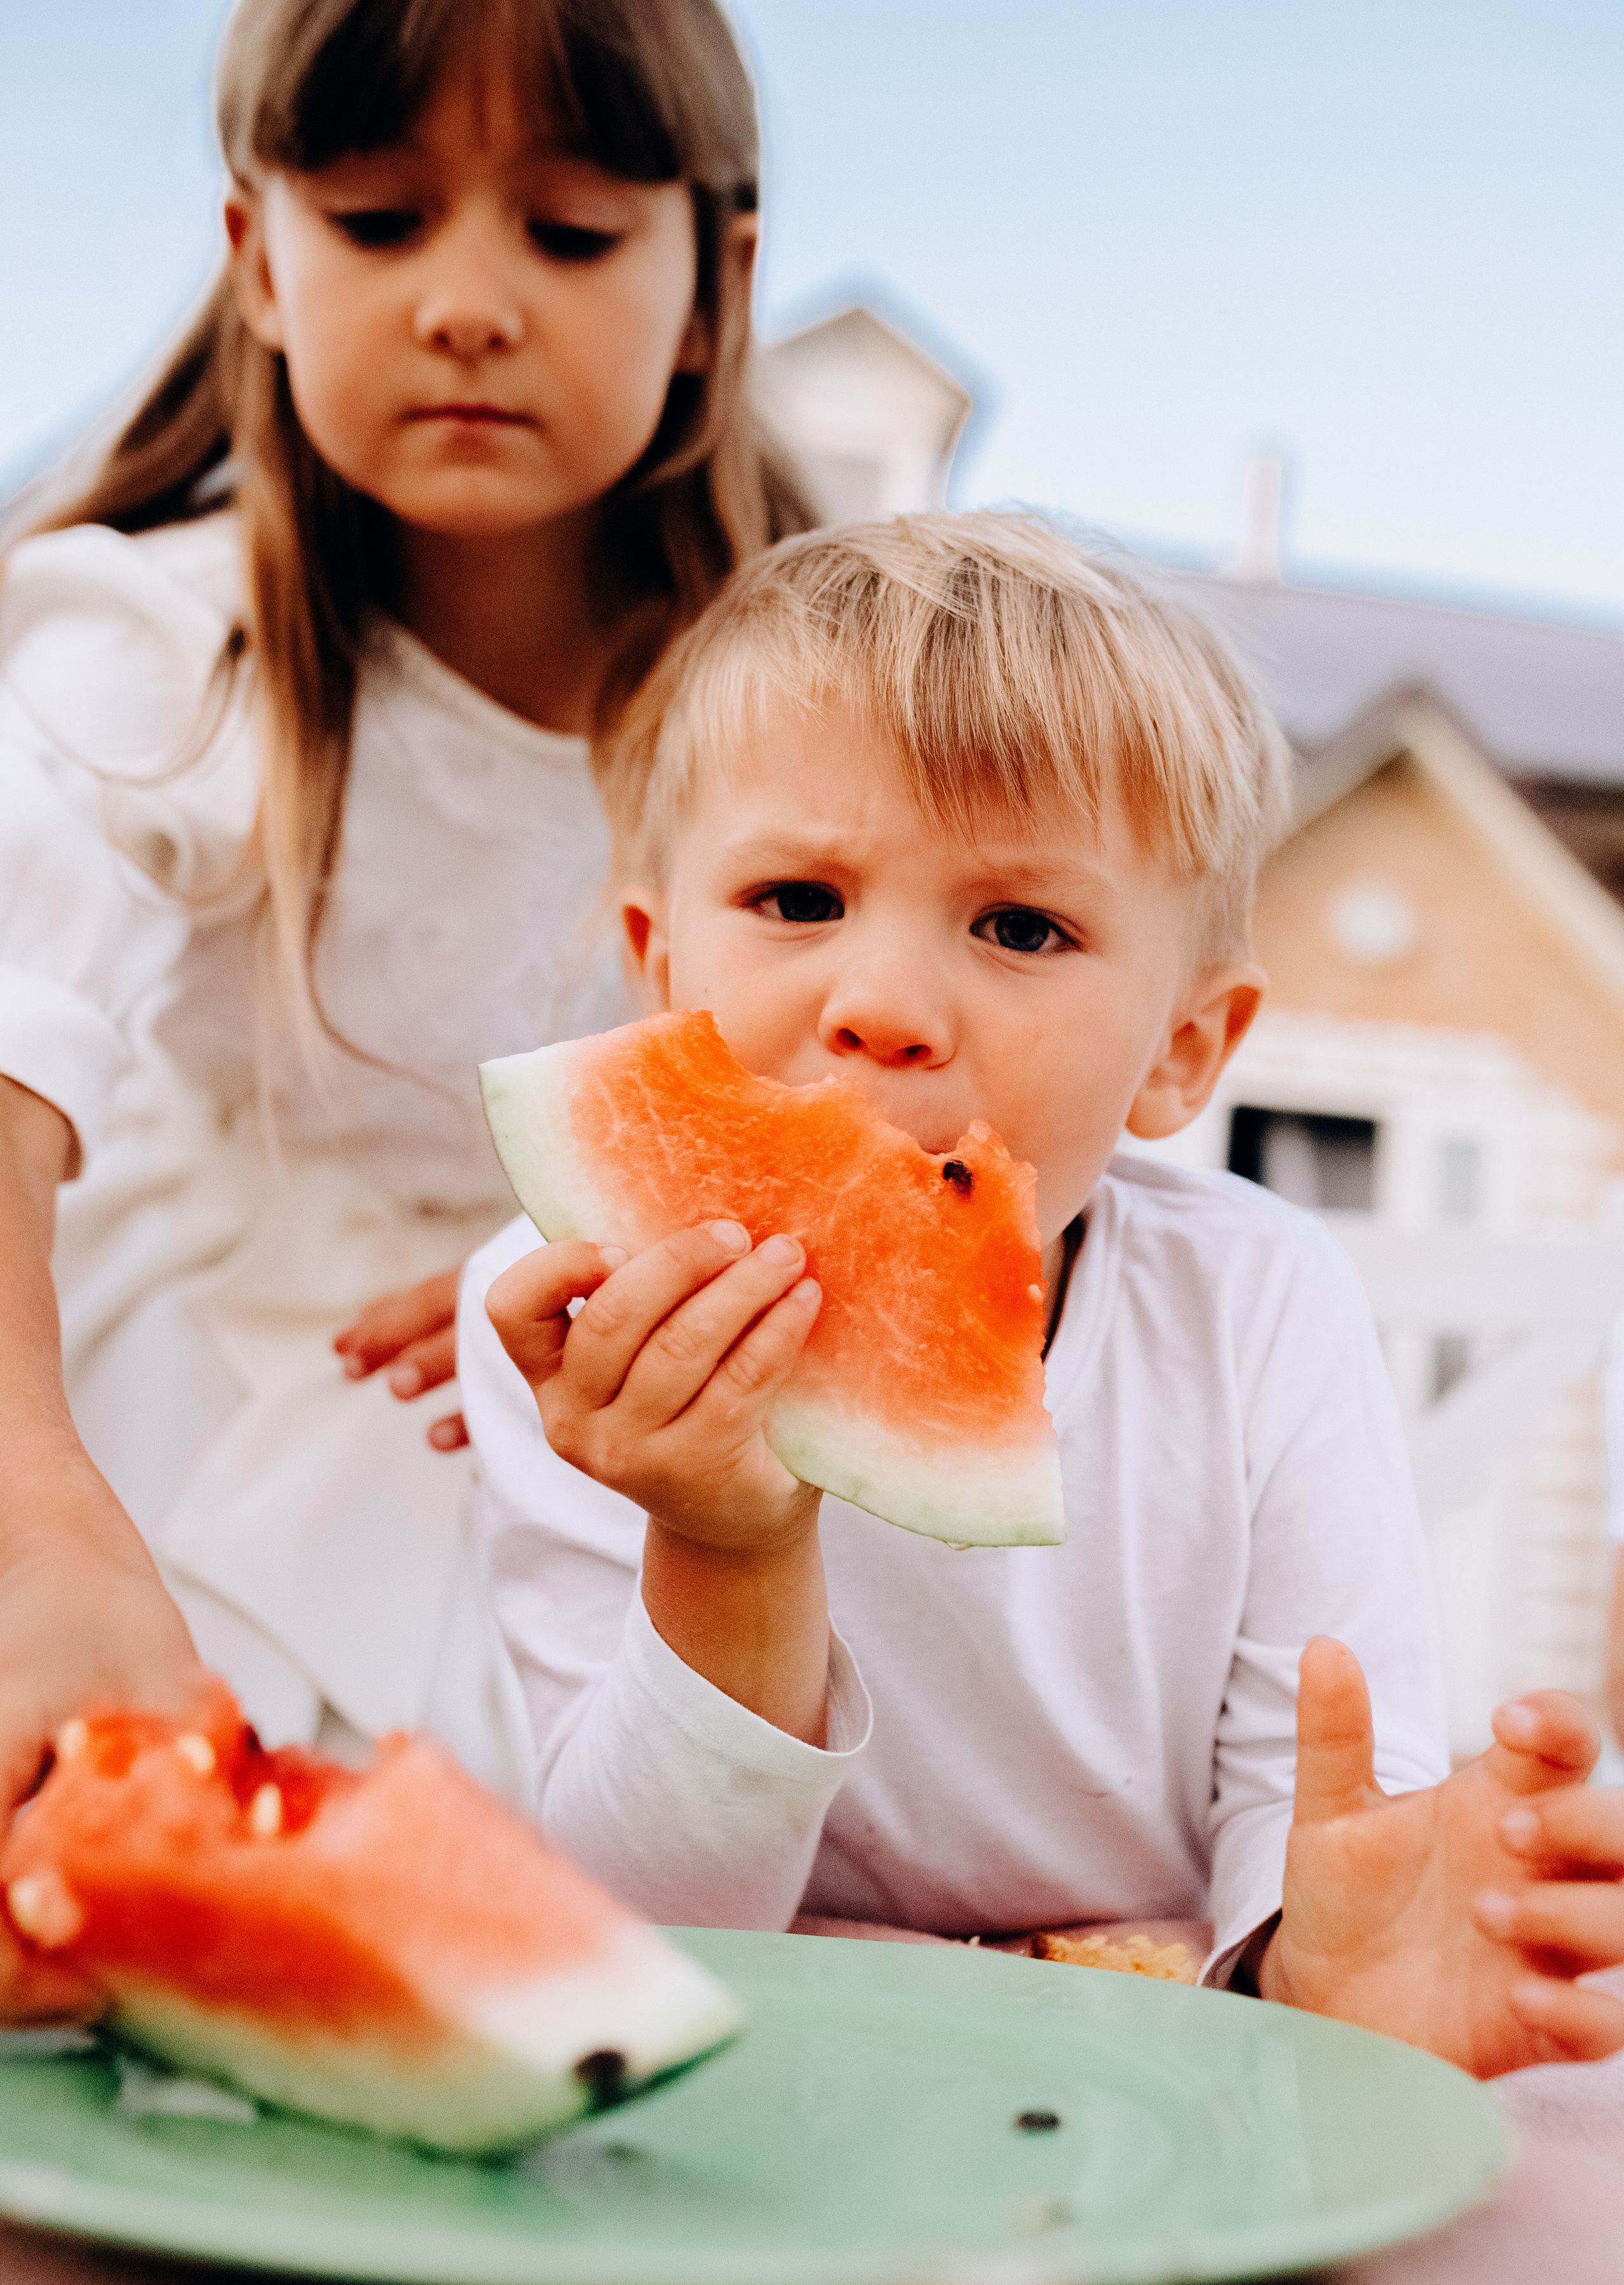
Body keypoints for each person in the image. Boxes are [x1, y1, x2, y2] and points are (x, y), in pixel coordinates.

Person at [464, 515, 1624, 2074]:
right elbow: (643, 1927)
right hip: (760, 2076)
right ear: (656, 967)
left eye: (1020, 926)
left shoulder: (1261, 1307)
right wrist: (719, 1547)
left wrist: (1308, 1964)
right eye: (799, 899)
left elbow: (1323, 1809)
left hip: (1152, 2072)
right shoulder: (573, 1322)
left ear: (1183, 1050)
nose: (879, 1006)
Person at [0, 0, 816, 2010]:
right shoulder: (162, 651)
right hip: (157, 1436)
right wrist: (42, 1532)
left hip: (633, 1445)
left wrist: (594, 1245)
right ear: (258, 263)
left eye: (565, 232)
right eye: (377, 220)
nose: (465, 304)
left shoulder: (811, 716)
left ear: (715, 286)